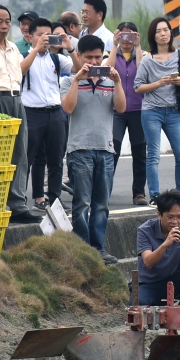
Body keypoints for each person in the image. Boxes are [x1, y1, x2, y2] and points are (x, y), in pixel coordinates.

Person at [62, 34, 123, 265]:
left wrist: (117, 82)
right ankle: (82, 249)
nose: (96, 63)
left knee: (102, 204)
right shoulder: (68, 82)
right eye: (90, 58)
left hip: (105, 149)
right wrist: (78, 79)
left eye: (99, 57)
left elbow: (121, 107)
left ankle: (98, 248)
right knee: (82, 203)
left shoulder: (109, 82)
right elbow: (67, 108)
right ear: (79, 57)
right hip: (79, 149)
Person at [0, 6, 41, 223]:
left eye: (7, 21)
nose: (4, 26)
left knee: (19, 153)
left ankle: (17, 204)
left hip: (16, 98)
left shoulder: (14, 47)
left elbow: (17, 74)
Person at [134, 16, 180, 199]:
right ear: (153, 36)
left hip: (173, 111)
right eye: (158, 31)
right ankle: (155, 195)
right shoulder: (147, 60)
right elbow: (138, 87)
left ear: (170, 33)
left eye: (166, 30)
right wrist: (158, 83)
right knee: (153, 155)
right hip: (151, 112)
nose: (163, 34)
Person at [22, 18, 73, 211]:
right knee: (32, 157)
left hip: (55, 112)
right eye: (39, 35)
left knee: (56, 158)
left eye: (48, 35)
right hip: (32, 112)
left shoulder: (56, 58)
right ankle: (34, 197)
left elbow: (76, 68)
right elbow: (19, 72)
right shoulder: (23, 56)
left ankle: (55, 199)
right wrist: (36, 50)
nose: (44, 39)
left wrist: (69, 47)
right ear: (30, 36)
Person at [135, 191, 180, 306]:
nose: (175, 222)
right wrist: (166, 243)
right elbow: (148, 262)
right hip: (148, 283)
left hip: (172, 280)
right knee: (141, 306)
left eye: (179, 217)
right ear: (159, 215)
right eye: (170, 217)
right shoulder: (145, 230)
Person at [108, 21, 148, 205]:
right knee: (112, 151)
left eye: (130, 35)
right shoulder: (112, 55)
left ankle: (139, 193)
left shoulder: (142, 55)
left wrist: (138, 47)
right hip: (116, 110)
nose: (126, 40)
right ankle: (105, 191)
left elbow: (143, 73)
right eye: (123, 35)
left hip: (138, 110)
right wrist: (114, 45)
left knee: (139, 152)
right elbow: (106, 72)